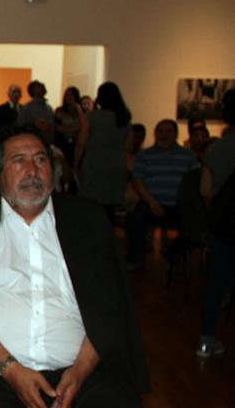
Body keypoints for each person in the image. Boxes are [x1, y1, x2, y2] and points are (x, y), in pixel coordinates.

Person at [0, 125, 149, 408]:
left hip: (80, 364)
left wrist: (80, 371)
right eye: (19, 160)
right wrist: (11, 369)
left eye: (41, 160)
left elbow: (111, 305)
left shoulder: (87, 220)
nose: (32, 169)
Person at [126, 120, 199, 269]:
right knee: (136, 217)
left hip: (180, 205)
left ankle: (172, 254)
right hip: (152, 203)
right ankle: (136, 260)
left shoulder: (188, 156)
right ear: (155, 134)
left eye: (168, 132)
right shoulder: (144, 156)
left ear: (176, 134)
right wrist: (152, 202)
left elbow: (196, 180)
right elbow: (137, 180)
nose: (164, 135)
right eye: (161, 132)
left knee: (196, 223)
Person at [198, 89, 235, 358]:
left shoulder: (217, 149)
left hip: (225, 225)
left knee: (216, 282)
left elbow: (206, 192)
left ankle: (207, 338)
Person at [75, 81, 133, 221]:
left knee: (91, 205)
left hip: (95, 163)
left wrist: (76, 163)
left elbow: (81, 143)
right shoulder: (124, 118)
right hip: (116, 164)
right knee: (110, 208)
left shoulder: (92, 116)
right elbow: (129, 146)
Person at [54, 87, 83, 162]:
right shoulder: (59, 111)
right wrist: (74, 129)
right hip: (64, 143)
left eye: (72, 95)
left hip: (77, 143)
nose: (69, 97)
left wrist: (79, 109)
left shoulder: (81, 111)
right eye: (67, 95)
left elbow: (83, 126)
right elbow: (58, 128)